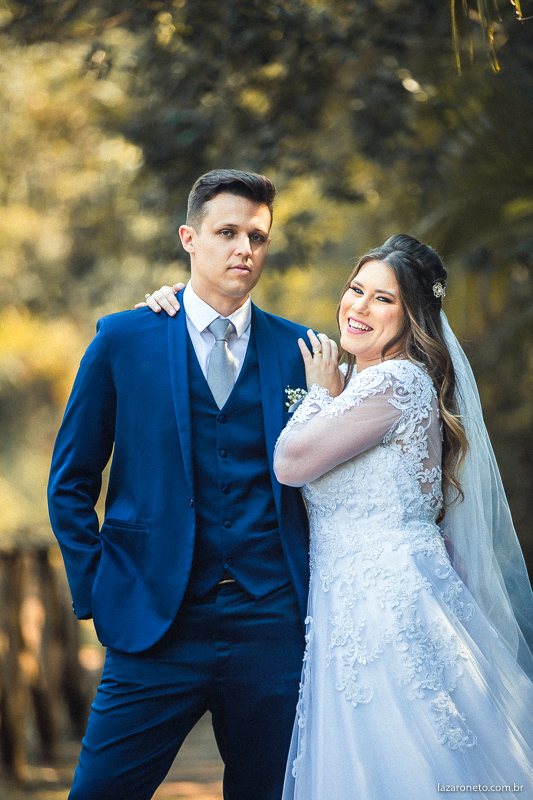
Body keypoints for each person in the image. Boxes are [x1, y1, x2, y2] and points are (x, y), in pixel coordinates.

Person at [47, 169, 324, 800]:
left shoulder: (300, 351)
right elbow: (70, 482)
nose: (243, 250)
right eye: (226, 232)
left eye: (257, 236)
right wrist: (99, 589)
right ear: (189, 239)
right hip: (154, 624)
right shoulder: (125, 338)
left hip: (271, 624)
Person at [270, 234, 533, 799]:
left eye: (383, 299)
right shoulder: (372, 385)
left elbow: (291, 463)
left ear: (413, 316)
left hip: (382, 609)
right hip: (362, 600)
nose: (358, 308)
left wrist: (319, 393)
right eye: (355, 289)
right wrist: (338, 394)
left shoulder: (398, 380)